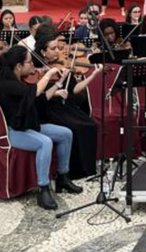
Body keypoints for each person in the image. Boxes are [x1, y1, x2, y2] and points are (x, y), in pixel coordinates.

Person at [0, 45, 82, 210]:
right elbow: (33, 93)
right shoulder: (6, 85)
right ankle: (43, 189)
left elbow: (40, 99)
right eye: (29, 62)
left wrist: (59, 83)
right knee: (45, 142)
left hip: (29, 126)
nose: (33, 66)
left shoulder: (18, 81)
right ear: (19, 66)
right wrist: (48, 74)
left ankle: (63, 178)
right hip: (14, 132)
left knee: (66, 134)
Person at [37, 35, 100, 178]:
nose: (57, 52)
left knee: (90, 124)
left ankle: (88, 169)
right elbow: (37, 95)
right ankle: (74, 172)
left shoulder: (62, 66)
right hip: (48, 109)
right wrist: (56, 92)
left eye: (59, 48)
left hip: (64, 107)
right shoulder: (39, 71)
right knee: (76, 127)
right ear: (42, 52)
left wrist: (93, 75)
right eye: (53, 49)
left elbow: (74, 89)